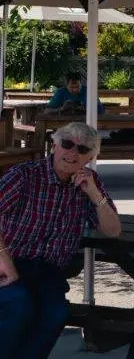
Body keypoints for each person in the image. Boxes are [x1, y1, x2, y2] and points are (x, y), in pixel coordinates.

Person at [0, 122, 121, 358]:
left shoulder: (89, 182)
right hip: (11, 263)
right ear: (54, 145)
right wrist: (5, 261)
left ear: (91, 157)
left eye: (82, 149)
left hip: (48, 271)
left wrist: (94, 194)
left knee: (55, 313)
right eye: (67, 144)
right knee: (18, 306)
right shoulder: (25, 175)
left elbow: (113, 230)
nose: (73, 153)